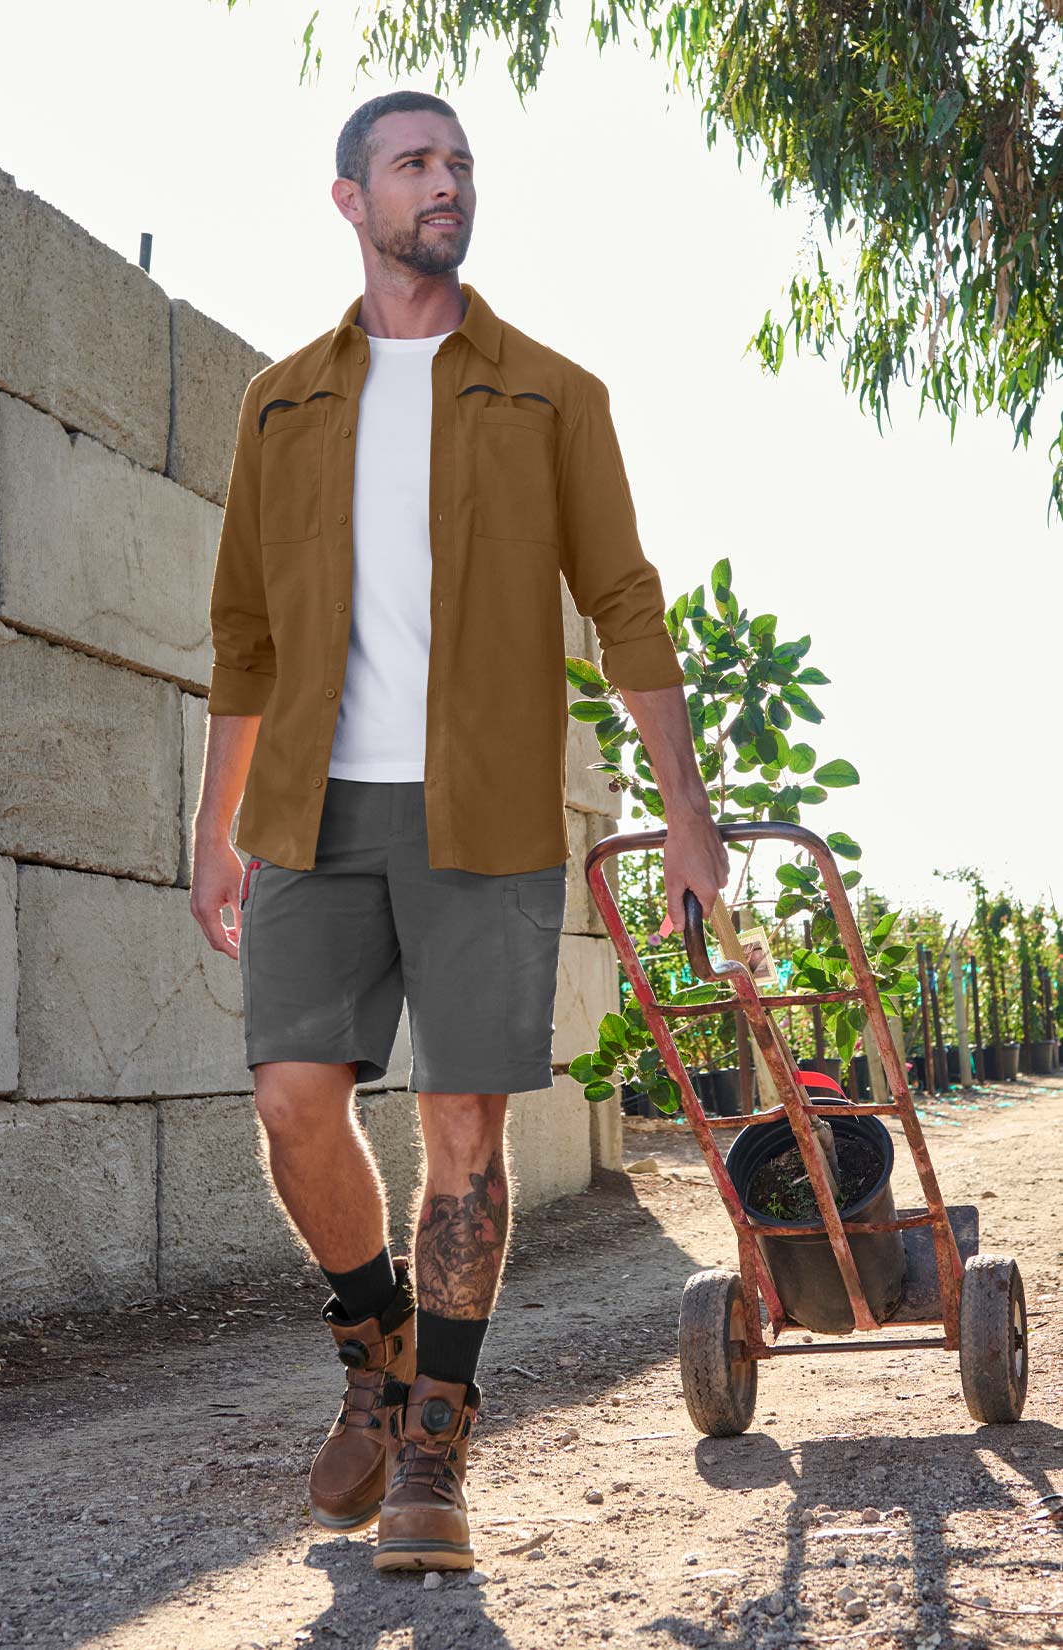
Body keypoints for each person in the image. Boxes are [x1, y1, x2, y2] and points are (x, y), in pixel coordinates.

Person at [189, 89, 730, 1575]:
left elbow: (625, 602)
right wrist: (215, 825)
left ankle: (435, 1435)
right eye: (416, 164)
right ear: (350, 199)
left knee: (464, 1126)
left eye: (461, 164)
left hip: (481, 807)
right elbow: (242, 635)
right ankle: (375, 1341)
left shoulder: (555, 396)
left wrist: (687, 817)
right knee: (292, 1102)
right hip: (311, 807)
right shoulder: (282, 403)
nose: (447, 184)